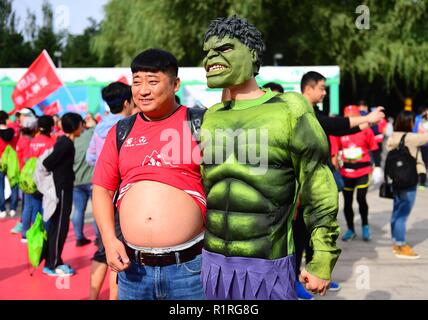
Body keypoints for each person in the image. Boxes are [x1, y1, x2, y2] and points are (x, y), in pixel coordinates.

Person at [200, 16, 340, 300]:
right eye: (207, 52)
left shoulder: (290, 109)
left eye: (224, 49)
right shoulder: (211, 116)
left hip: (268, 264)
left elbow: (318, 188)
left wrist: (321, 260)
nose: (210, 58)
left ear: (252, 54)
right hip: (212, 265)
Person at [92, 48, 206, 300]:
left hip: (190, 269)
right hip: (133, 271)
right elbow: (102, 189)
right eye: (137, 82)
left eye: (153, 82)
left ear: (175, 84)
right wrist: (110, 241)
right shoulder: (121, 131)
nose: (143, 90)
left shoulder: (200, 124)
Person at [294, 71, 385, 299]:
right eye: (322, 88)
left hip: (315, 186)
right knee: (298, 237)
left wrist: (365, 124)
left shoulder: (314, 111)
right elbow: (331, 124)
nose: (325, 92)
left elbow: (336, 126)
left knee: (314, 233)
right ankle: (294, 281)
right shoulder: (300, 111)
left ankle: (312, 275)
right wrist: (367, 118)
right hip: (300, 188)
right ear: (309, 88)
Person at [86, 81, 134, 300]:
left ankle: (93, 295)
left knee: (103, 246)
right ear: (127, 102)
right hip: (121, 198)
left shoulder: (99, 127)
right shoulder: (128, 126)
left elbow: (90, 158)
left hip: (101, 196)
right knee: (120, 250)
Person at [330, 105, 379, 242]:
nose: (352, 119)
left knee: (361, 199)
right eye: (349, 117)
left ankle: (365, 226)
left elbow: (374, 149)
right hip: (346, 172)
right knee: (347, 202)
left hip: (363, 170)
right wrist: (335, 169)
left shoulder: (365, 129)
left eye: (354, 116)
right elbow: (334, 152)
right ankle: (351, 229)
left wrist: (378, 166)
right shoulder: (340, 131)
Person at [42, 113, 83, 276]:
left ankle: (53, 260)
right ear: (75, 126)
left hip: (63, 188)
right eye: (81, 124)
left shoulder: (64, 142)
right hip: (62, 189)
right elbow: (47, 162)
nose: (82, 126)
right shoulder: (66, 144)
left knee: (59, 226)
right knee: (60, 226)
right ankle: (52, 264)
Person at [386, 111, 428, 259]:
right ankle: (401, 245)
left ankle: (395, 243)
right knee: (403, 215)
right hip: (409, 181)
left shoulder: (392, 137)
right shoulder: (410, 138)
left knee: (396, 212)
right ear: (409, 123)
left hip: (396, 181)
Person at [20, 116, 55, 243]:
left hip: (29, 178)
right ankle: (39, 234)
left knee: (29, 206)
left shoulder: (33, 140)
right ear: (51, 127)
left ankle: (25, 234)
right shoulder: (50, 143)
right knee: (42, 209)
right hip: (43, 179)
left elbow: (27, 159)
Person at [72, 118, 95, 247]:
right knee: (97, 211)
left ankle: (79, 237)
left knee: (78, 210)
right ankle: (99, 238)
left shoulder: (72, 139)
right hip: (91, 179)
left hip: (76, 181)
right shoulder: (90, 134)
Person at [0, 111, 16, 219]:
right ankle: (13, 208)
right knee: (14, 186)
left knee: (0, 187)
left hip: (0, 162)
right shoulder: (12, 131)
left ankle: (2, 209)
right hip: (12, 162)